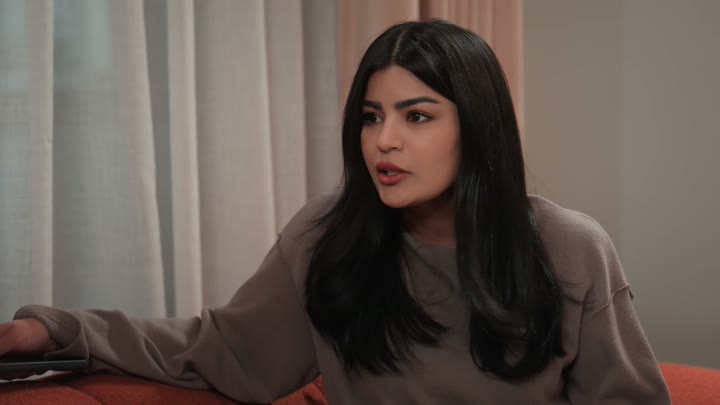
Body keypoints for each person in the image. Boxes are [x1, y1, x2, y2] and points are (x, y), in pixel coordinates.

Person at [0, 20, 670, 404]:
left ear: (479, 128)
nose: (384, 140)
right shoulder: (328, 238)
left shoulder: (569, 247)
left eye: (417, 116)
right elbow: (221, 351)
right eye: (372, 116)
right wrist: (55, 331)